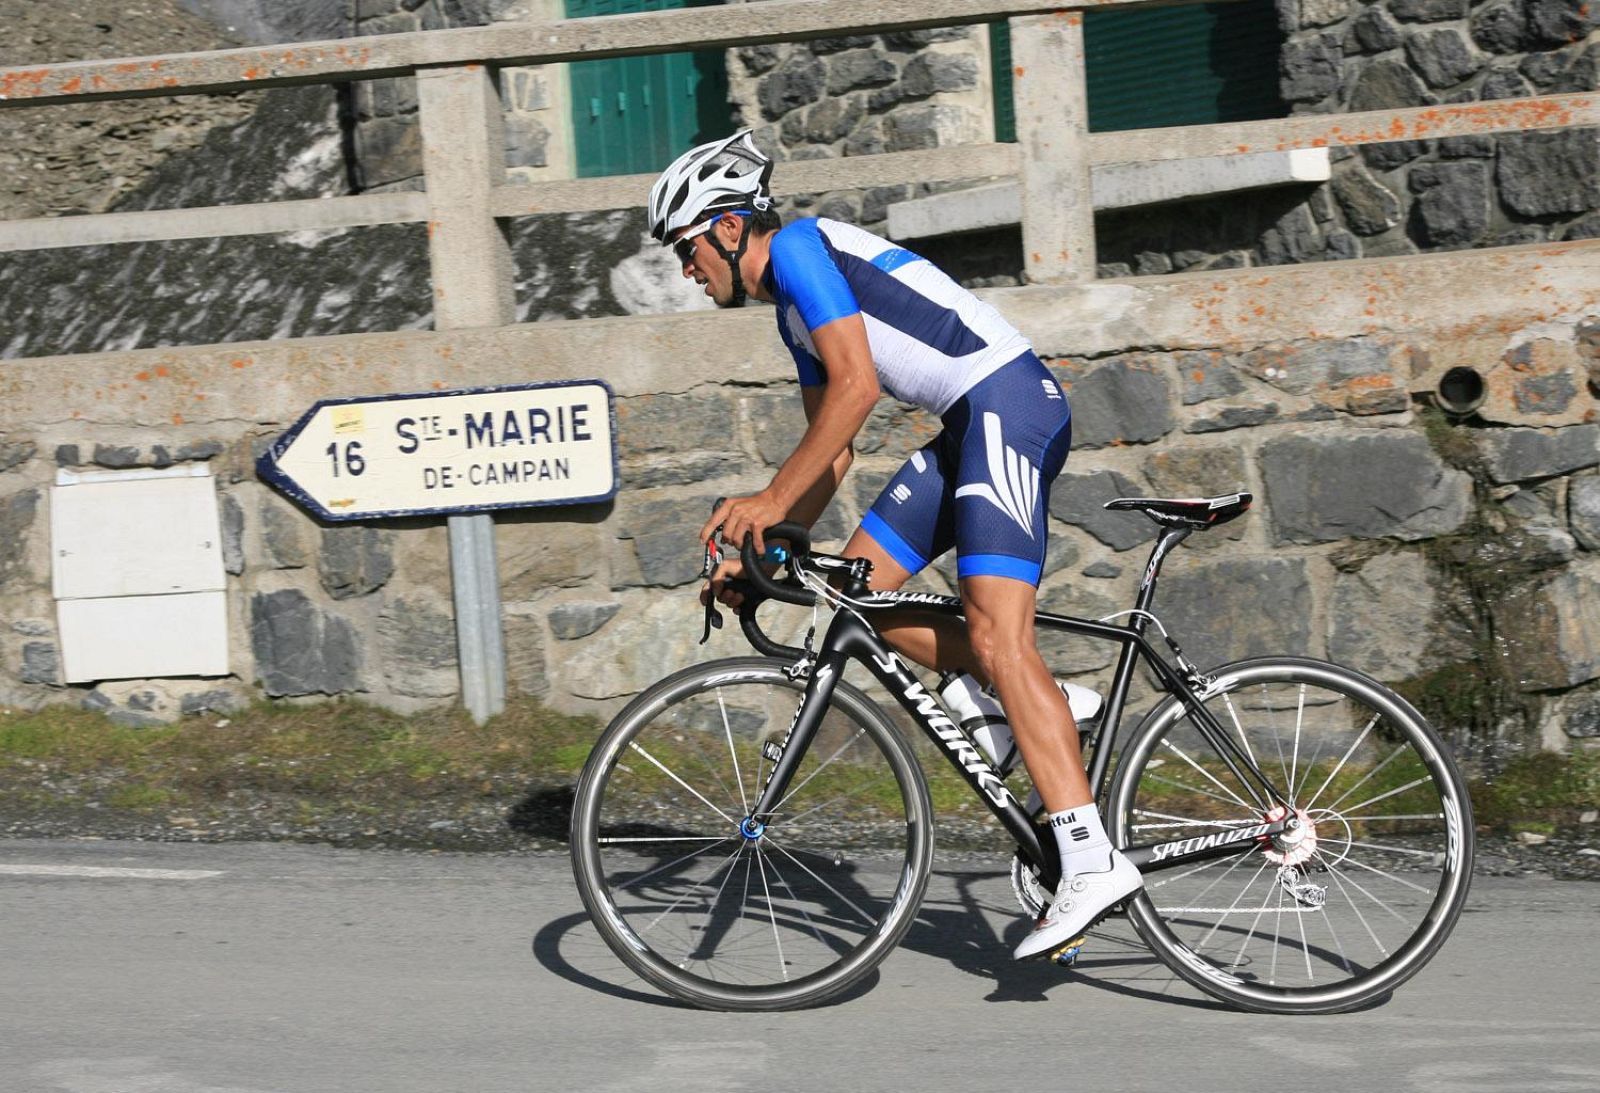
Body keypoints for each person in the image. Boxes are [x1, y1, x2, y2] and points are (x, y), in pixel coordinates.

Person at [649, 130, 1141, 960]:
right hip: (968, 427)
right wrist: (767, 554)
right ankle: (1044, 705)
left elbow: (859, 388)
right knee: (853, 594)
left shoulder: (802, 249)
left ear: (731, 228)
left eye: (687, 246)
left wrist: (766, 500)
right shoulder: (791, 313)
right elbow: (831, 449)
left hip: (1009, 407)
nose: (685, 268)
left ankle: (1089, 858)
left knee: (995, 631)